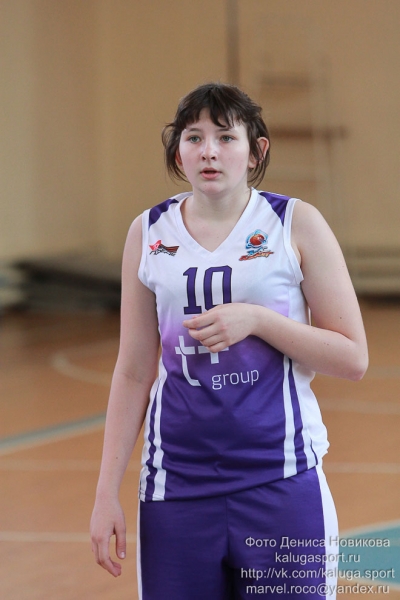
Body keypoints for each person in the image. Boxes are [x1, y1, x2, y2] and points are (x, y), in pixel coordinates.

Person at [90, 82, 368, 599]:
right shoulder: (147, 233)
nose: (209, 151)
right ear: (178, 152)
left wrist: (259, 321)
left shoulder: (295, 224)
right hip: (176, 490)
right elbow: (132, 370)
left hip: (281, 482)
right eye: (194, 138)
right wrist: (106, 492)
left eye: (225, 137)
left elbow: (352, 357)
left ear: (256, 150)